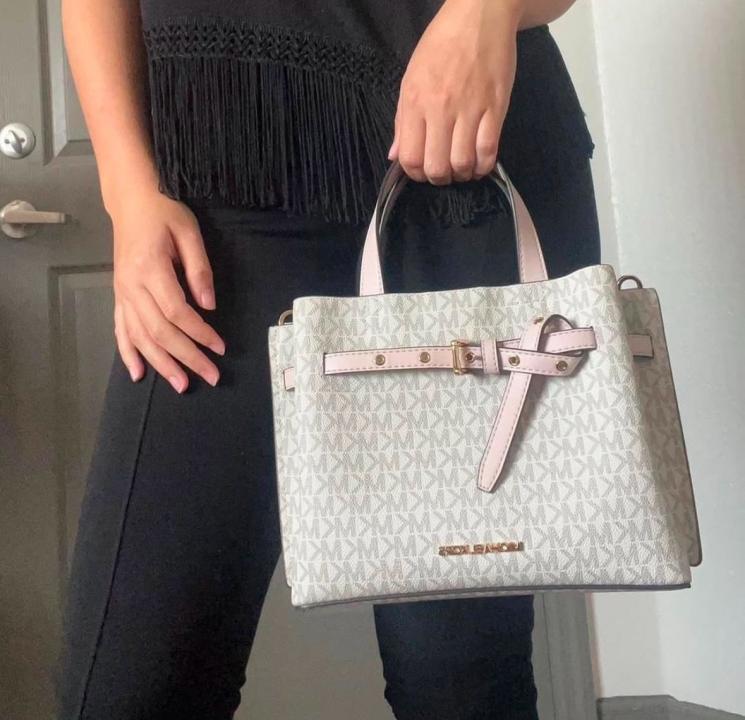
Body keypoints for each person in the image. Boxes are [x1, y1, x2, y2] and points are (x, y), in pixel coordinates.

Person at [56, 1, 598, 718]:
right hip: (221, 179)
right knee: (131, 686)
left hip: (460, 156)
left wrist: (484, 12)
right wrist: (126, 193)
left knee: (459, 679)